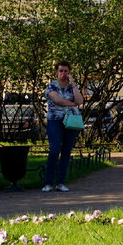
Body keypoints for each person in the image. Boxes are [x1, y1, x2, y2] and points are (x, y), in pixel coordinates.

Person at [43, 60, 83, 192]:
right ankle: (48, 183)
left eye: (66, 71)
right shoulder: (52, 86)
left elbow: (80, 100)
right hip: (55, 120)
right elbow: (57, 100)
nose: (63, 73)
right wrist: (72, 104)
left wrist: (73, 85)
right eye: (61, 71)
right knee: (54, 150)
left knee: (66, 151)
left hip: (70, 122)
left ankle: (60, 182)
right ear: (56, 72)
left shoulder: (72, 86)